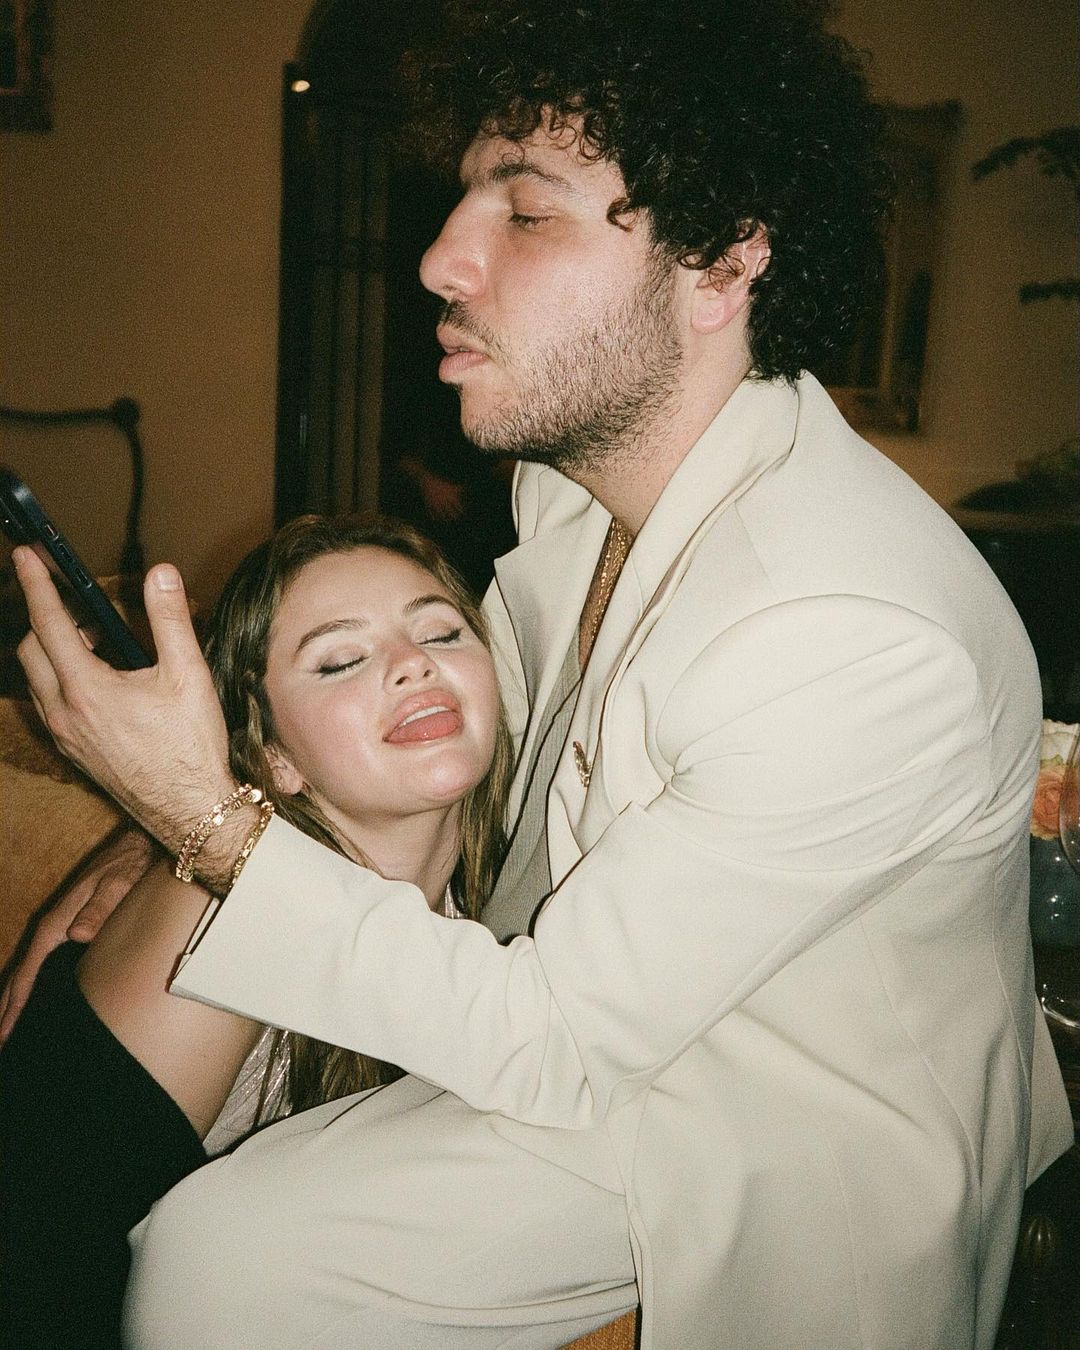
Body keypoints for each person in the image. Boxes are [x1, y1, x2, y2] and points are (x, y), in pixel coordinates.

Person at [9, 0, 1074, 1345]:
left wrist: (205, 821)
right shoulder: (574, 490)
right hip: (591, 1006)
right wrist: (188, 812)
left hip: (762, 1112)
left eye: (524, 212)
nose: (441, 259)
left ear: (719, 263)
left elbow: (556, 1042)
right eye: (465, 197)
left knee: (218, 1258)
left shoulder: (853, 629)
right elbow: (480, 728)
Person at [0, 514, 511, 1349]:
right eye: (340, 659)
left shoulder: (507, 900)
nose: (413, 662)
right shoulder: (211, 910)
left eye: (440, 633)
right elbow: (41, 1257)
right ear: (275, 757)